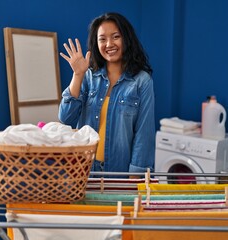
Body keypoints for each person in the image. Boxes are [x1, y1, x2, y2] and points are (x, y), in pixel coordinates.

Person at [58, 12, 155, 177]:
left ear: (126, 39)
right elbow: (65, 119)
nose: (109, 44)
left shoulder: (142, 81)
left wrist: (134, 177)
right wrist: (78, 75)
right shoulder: (88, 76)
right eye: (102, 39)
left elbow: (143, 134)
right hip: (83, 171)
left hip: (120, 172)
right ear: (96, 44)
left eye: (116, 37)